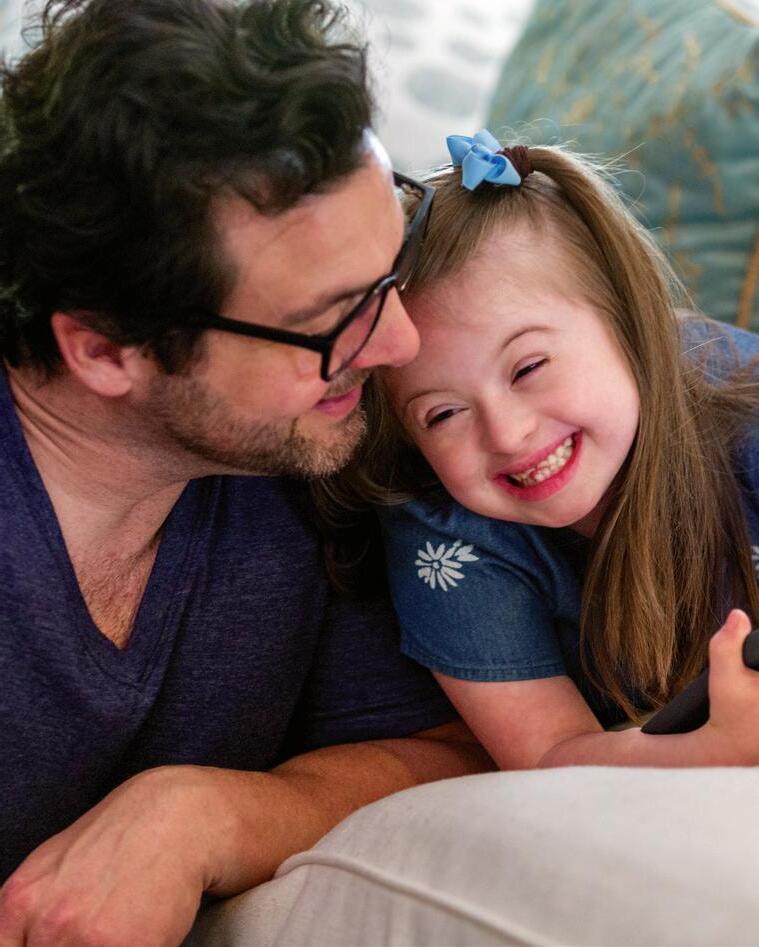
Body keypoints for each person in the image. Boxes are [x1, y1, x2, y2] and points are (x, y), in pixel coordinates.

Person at [0, 3, 493, 944]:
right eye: (331, 319)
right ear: (105, 350)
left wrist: (201, 814)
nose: (399, 343)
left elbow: (455, 754)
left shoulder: (315, 466)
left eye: (391, 268)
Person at [330, 128, 759, 772]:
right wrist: (711, 751)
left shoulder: (744, 411)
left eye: (528, 368)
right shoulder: (447, 536)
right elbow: (548, 754)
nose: (506, 434)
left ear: (629, 319)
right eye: (442, 414)